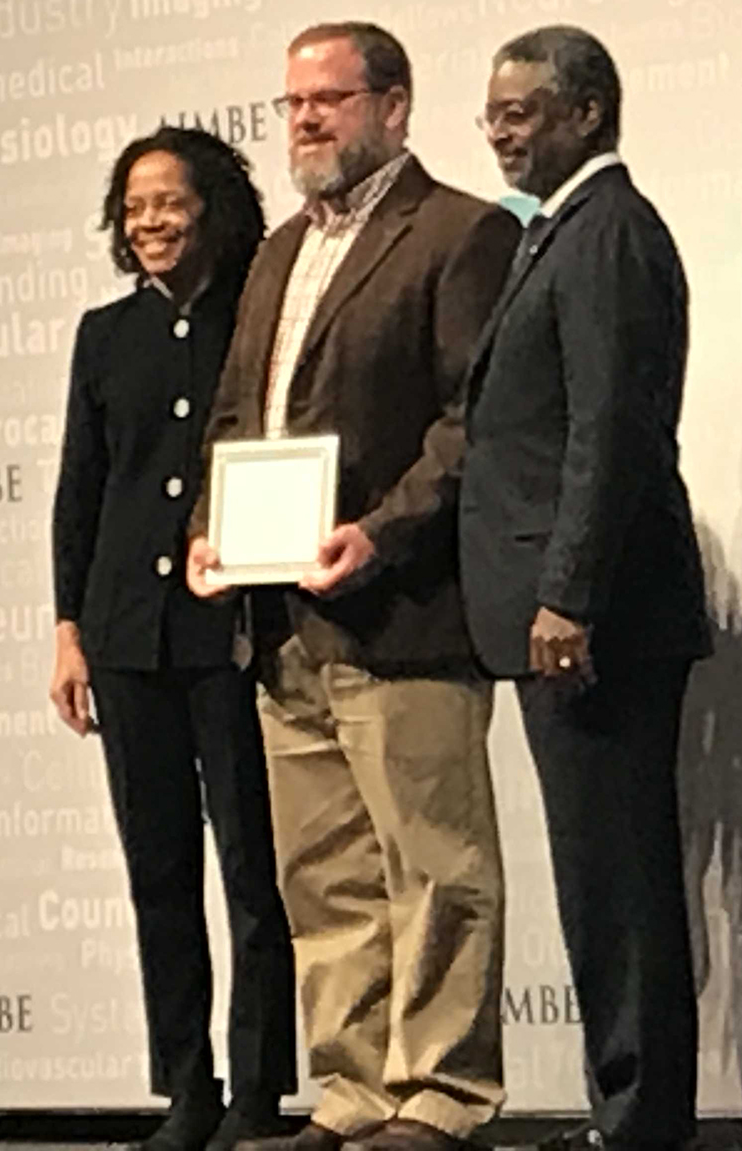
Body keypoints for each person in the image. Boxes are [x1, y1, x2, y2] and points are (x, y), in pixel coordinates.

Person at [186, 22, 520, 1151]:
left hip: (405, 612)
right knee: (324, 871)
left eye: (329, 98)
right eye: (290, 103)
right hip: (284, 620)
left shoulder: (461, 233)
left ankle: (442, 1091)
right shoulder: (278, 251)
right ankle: (354, 1088)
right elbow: (239, 417)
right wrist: (208, 536)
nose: (306, 120)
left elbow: (476, 420)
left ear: (394, 105)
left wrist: (379, 535)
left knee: (434, 863)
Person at [459, 26, 712, 1151]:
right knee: (599, 874)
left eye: (520, 112)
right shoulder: (561, 231)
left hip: (594, 619)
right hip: (570, 610)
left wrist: (566, 596)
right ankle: (626, 1111)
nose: (500, 132)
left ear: (588, 113)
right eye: (494, 114)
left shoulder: (608, 232)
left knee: (619, 875)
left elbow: (610, 433)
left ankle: (641, 1118)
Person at [50, 126, 296, 1151]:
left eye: (169, 202)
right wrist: (68, 630)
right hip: (124, 634)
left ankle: (257, 1093)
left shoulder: (261, 315)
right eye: (134, 206)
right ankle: (185, 1086)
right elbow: (81, 494)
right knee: (159, 868)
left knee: (253, 868)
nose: (150, 221)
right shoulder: (105, 335)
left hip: (229, 633)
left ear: (214, 210)